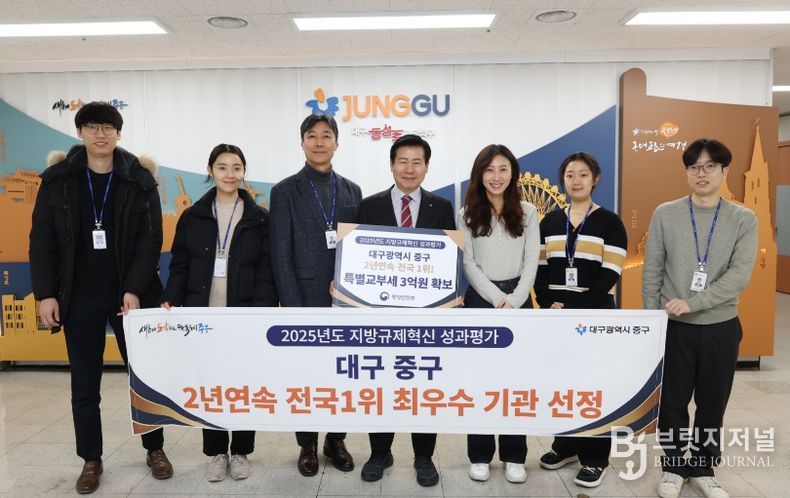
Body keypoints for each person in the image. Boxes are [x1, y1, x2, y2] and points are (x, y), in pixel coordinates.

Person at [29, 101, 172, 494]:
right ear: (80, 133)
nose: (100, 134)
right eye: (92, 126)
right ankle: (91, 458)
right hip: (78, 298)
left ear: (118, 133)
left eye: (108, 127)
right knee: (84, 383)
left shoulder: (139, 179)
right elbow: (42, 240)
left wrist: (134, 288)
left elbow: (151, 240)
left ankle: (155, 449)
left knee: (144, 378)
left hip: (130, 298)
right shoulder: (58, 180)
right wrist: (46, 294)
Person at [642, 139, 756, 498]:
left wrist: (694, 303)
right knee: (672, 402)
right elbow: (652, 269)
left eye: (709, 166)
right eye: (693, 167)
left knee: (712, 402)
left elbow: (739, 276)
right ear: (687, 172)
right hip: (673, 328)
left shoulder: (743, 218)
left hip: (721, 326)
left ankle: (704, 467)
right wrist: (653, 319)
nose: (701, 173)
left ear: (724, 170)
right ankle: (674, 466)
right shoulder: (665, 213)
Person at [161, 144, 277, 482]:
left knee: (242, 384)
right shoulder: (193, 216)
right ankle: (216, 452)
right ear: (210, 170)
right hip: (204, 315)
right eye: (222, 167)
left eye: (236, 167)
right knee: (210, 385)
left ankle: (240, 451)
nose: (230, 174)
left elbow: (266, 269)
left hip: (243, 315)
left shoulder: (259, 219)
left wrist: (260, 310)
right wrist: (171, 298)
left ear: (244, 172)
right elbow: (180, 264)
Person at [357, 134, 455, 487]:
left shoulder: (441, 207)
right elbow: (357, 257)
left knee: (424, 387)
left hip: (426, 318)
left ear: (426, 167)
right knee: (381, 385)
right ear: (391, 165)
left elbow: (450, 260)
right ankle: (379, 453)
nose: (409, 169)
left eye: (417, 162)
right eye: (403, 161)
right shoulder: (369, 206)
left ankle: (424, 456)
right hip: (379, 316)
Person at [269, 114, 361, 477]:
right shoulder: (284, 191)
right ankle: (307, 443)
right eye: (312, 136)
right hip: (303, 298)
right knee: (305, 375)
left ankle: (335, 440)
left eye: (326, 136)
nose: (319, 142)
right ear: (302, 142)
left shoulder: (352, 190)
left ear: (337, 142)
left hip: (346, 302)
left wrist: (355, 292)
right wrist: (293, 306)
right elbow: (280, 252)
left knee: (344, 373)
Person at [534, 151, 627, 488]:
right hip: (557, 315)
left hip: (595, 314)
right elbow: (539, 269)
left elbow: (610, 272)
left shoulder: (610, 222)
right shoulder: (549, 222)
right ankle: (566, 445)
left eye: (583, 174)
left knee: (593, 386)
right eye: (570, 175)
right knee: (561, 384)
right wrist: (548, 302)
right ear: (563, 180)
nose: (576, 181)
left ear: (595, 179)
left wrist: (578, 306)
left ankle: (595, 458)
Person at [457, 144, 539, 484]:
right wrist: (496, 299)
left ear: (513, 173)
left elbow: (531, 260)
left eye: (503, 169)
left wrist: (515, 299)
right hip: (480, 300)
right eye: (489, 169)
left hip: (519, 299)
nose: (496, 176)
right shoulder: (466, 214)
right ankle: (479, 454)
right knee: (480, 381)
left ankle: (514, 456)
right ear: (480, 174)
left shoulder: (529, 212)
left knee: (515, 381)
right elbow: (468, 263)